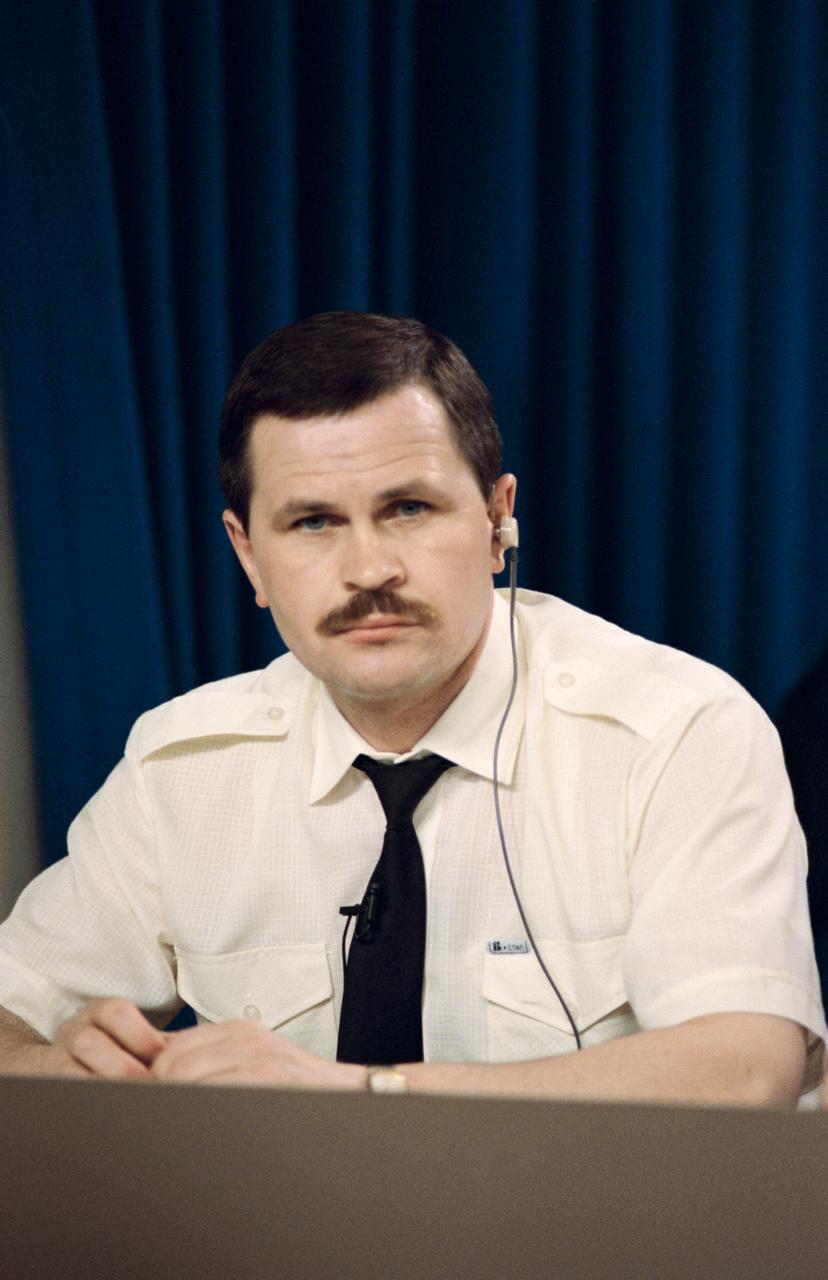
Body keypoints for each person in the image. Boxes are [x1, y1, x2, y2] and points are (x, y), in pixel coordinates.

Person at [0, 311, 823, 1104]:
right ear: (248, 555)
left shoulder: (678, 732)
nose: (369, 570)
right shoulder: (181, 767)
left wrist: (357, 1095)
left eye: (408, 509)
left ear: (498, 520)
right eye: (313, 522)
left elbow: (747, 1070)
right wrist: (78, 1079)